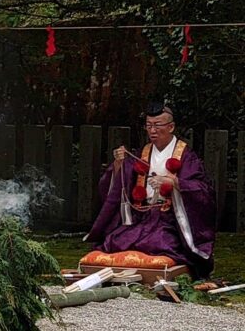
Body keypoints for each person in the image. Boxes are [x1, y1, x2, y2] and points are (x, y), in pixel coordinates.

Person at [85, 98, 217, 278]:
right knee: (115, 241)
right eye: (148, 125)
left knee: (159, 244)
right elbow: (119, 184)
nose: (152, 131)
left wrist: (174, 184)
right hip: (142, 216)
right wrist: (118, 164)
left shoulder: (186, 156)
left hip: (170, 219)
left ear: (171, 127)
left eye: (157, 125)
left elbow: (203, 192)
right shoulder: (142, 153)